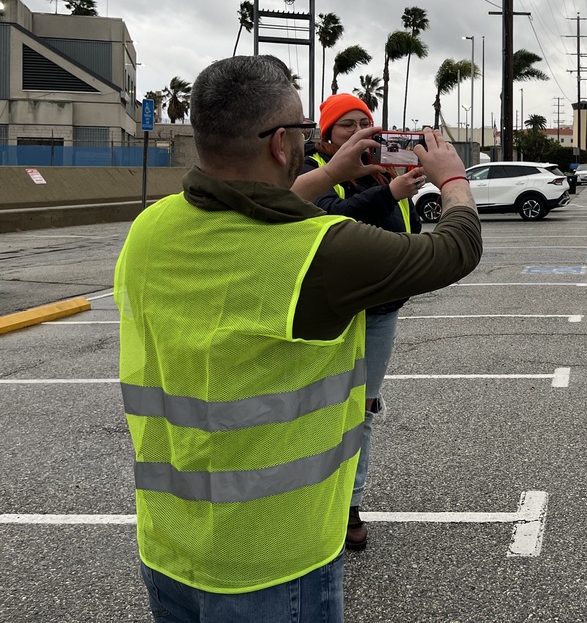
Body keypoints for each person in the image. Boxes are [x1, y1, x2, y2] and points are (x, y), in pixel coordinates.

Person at [115, 55, 481, 622]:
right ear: (281, 143)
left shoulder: (150, 230)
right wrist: (452, 179)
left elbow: (250, 198)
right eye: (304, 130)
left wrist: (330, 173)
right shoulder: (315, 251)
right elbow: (454, 250)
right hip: (276, 560)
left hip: (170, 547)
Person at [301, 92, 426, 551]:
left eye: (364, 123)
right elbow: (328, 222)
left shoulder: (383, 170)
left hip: (380, 311)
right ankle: (312, 500)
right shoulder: (313, 170)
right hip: (332, 311)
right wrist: (388, 193)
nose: (357, 132)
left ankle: (350, 505)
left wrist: (401, 188)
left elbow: (407, 232)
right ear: (327, 134)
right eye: (346, 125)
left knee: (363, 409)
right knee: (319, 407)